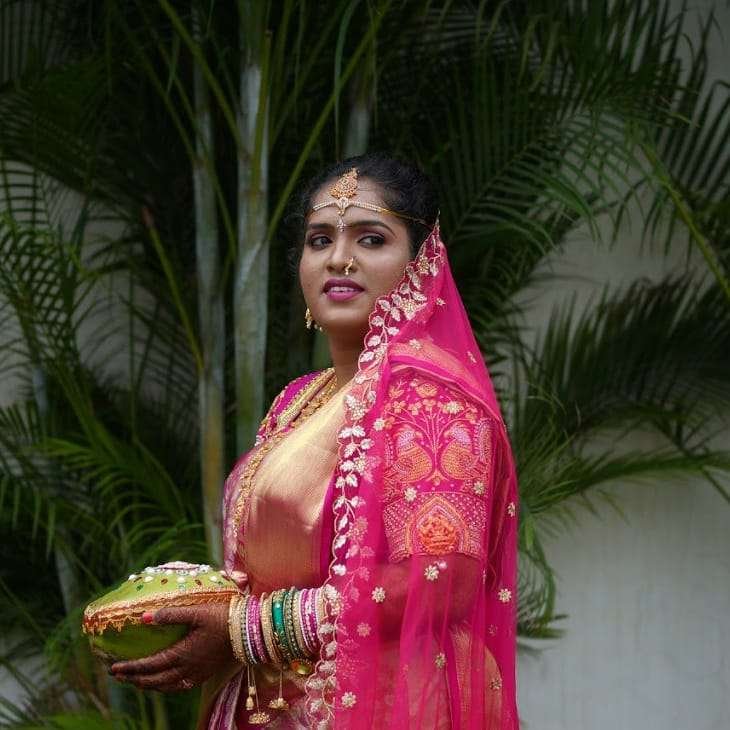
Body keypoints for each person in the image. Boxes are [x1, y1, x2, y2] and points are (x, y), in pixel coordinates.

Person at [111, 154, 520, 729]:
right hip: (268, 703)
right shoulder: (299, 398)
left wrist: (246, 628)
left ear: (421, 263)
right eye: (320, 239)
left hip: (385, 706)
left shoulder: (432, 400)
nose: (339, 259)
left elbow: (442, 580)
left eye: (371, 239)